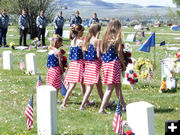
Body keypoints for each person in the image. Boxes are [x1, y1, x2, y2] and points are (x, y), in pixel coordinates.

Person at [98, 19, 126, 113]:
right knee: (110, 88)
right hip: (114, 64)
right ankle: (102, 108)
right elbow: (120, 53)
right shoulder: (117, 38)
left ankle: (123, 105)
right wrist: (123, 64)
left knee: (118, 85)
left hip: (105, 64)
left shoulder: (104, 38)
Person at [79, 23, 103, 110]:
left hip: (88, 64)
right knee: (90, 86)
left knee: (99, 84)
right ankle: (82, 105)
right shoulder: (97, 41)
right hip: (95, 64)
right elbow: (98, 55)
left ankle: (104, 102)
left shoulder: (86, 40)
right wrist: (102, 61)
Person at [61, 24, 84, 108]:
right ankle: (64, 102)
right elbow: (83, 53)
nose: (83, 33)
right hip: (78, 64)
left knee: (82, 83)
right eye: (82, 31)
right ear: (79, 32)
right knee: (73, 84)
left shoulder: (72, 41)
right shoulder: (80, 42)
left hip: (73, 63)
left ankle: (86, 100)